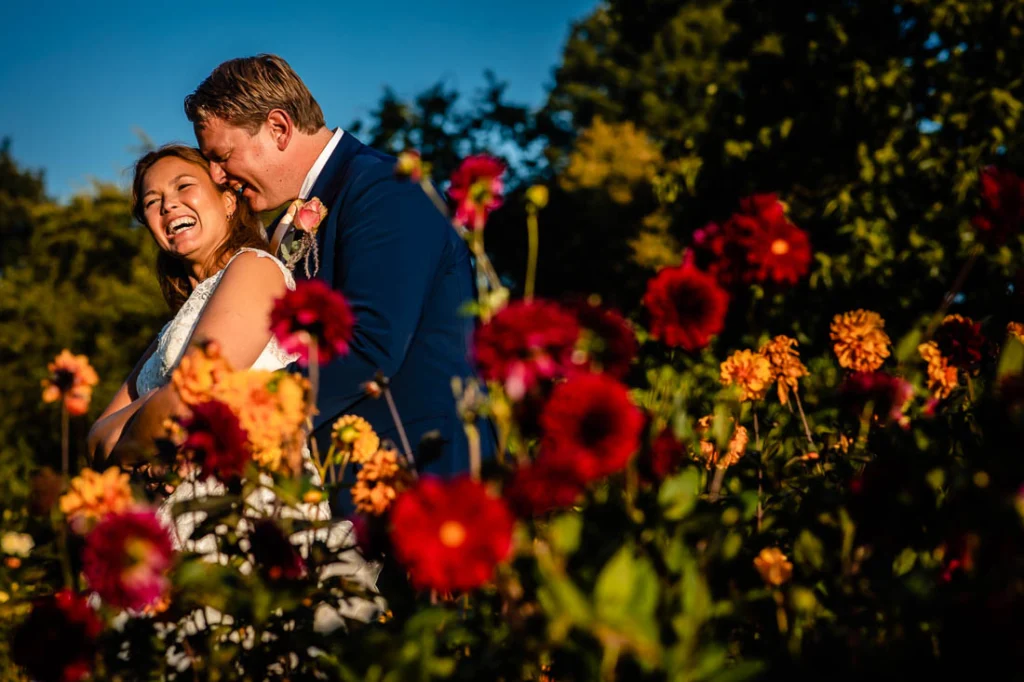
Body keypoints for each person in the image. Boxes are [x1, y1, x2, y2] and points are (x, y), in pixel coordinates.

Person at [181, 54, 496, 499]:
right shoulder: (287, 222)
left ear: (278, 127)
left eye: (222, 156)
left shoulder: (386, 190)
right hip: (336, 485)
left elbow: (370, 344)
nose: (217, 176)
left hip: (419, 476)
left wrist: (240, 418)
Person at [88, 145, 378, 622]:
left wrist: (134, 438)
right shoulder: (175, 324)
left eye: (184, 187)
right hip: (174, 519)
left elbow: (187, 398)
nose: (167, 206)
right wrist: (147, 436)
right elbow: (97, 439)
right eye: (151, 202)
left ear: (227, 199)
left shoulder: (252, 269)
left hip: (242, 509)